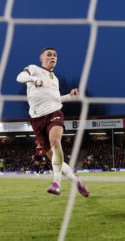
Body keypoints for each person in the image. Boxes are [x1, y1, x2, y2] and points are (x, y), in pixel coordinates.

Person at [16, 47, 89, 197]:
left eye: (55, 55)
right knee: (56, 160)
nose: (52, 57)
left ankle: (56, 184)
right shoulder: (34, 69)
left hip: (54, 114)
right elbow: (20, 77)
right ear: (41, 58)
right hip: (36, 120)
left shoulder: (54, 79)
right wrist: (32, 78)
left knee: (55, 141)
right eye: (48, 55)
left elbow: (56, 99)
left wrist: (69, 96)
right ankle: (76, 181)